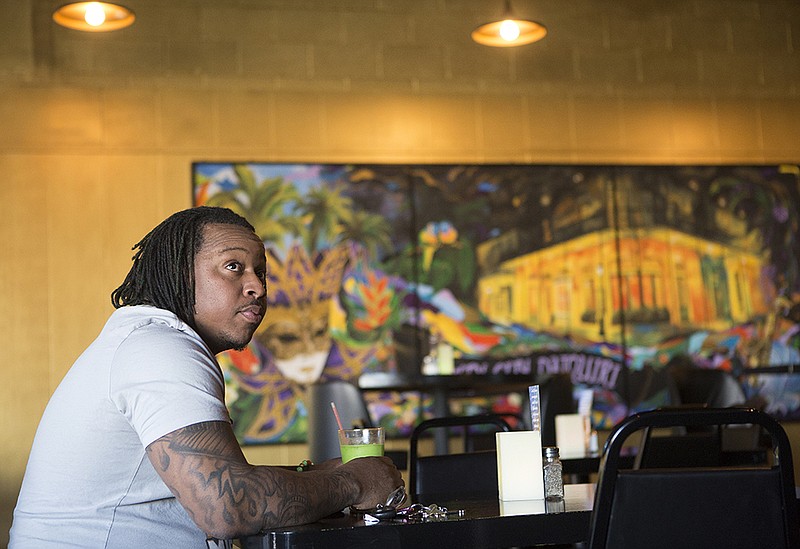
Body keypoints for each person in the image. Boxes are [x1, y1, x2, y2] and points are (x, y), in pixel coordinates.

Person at [9, 206, 403, 548]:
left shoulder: (146, 340)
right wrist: (355, 481)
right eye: (233, 267)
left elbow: (208, 484)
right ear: (181, 273)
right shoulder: (161, 348)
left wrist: (316, 475)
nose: (257, 287)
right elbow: (227, 507)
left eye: (260, 272)